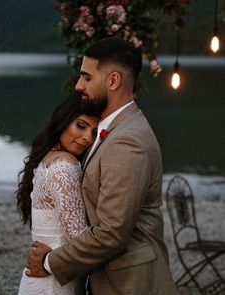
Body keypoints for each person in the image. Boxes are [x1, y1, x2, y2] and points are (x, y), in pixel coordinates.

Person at [26, 37, 178, 294]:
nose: (78, 85)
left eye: (86, 77)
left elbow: (111, 233)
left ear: (113, 81)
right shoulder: (115, 129)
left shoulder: (127, 141)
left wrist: (50, 262)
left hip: (128, 283)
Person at [16, 91, 99, 294]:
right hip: (54, 284)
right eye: (81, 125)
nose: (87, 138)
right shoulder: (65, 166)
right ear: (63, 121)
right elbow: (80, 240)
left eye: (95, 132)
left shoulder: (48, 157)